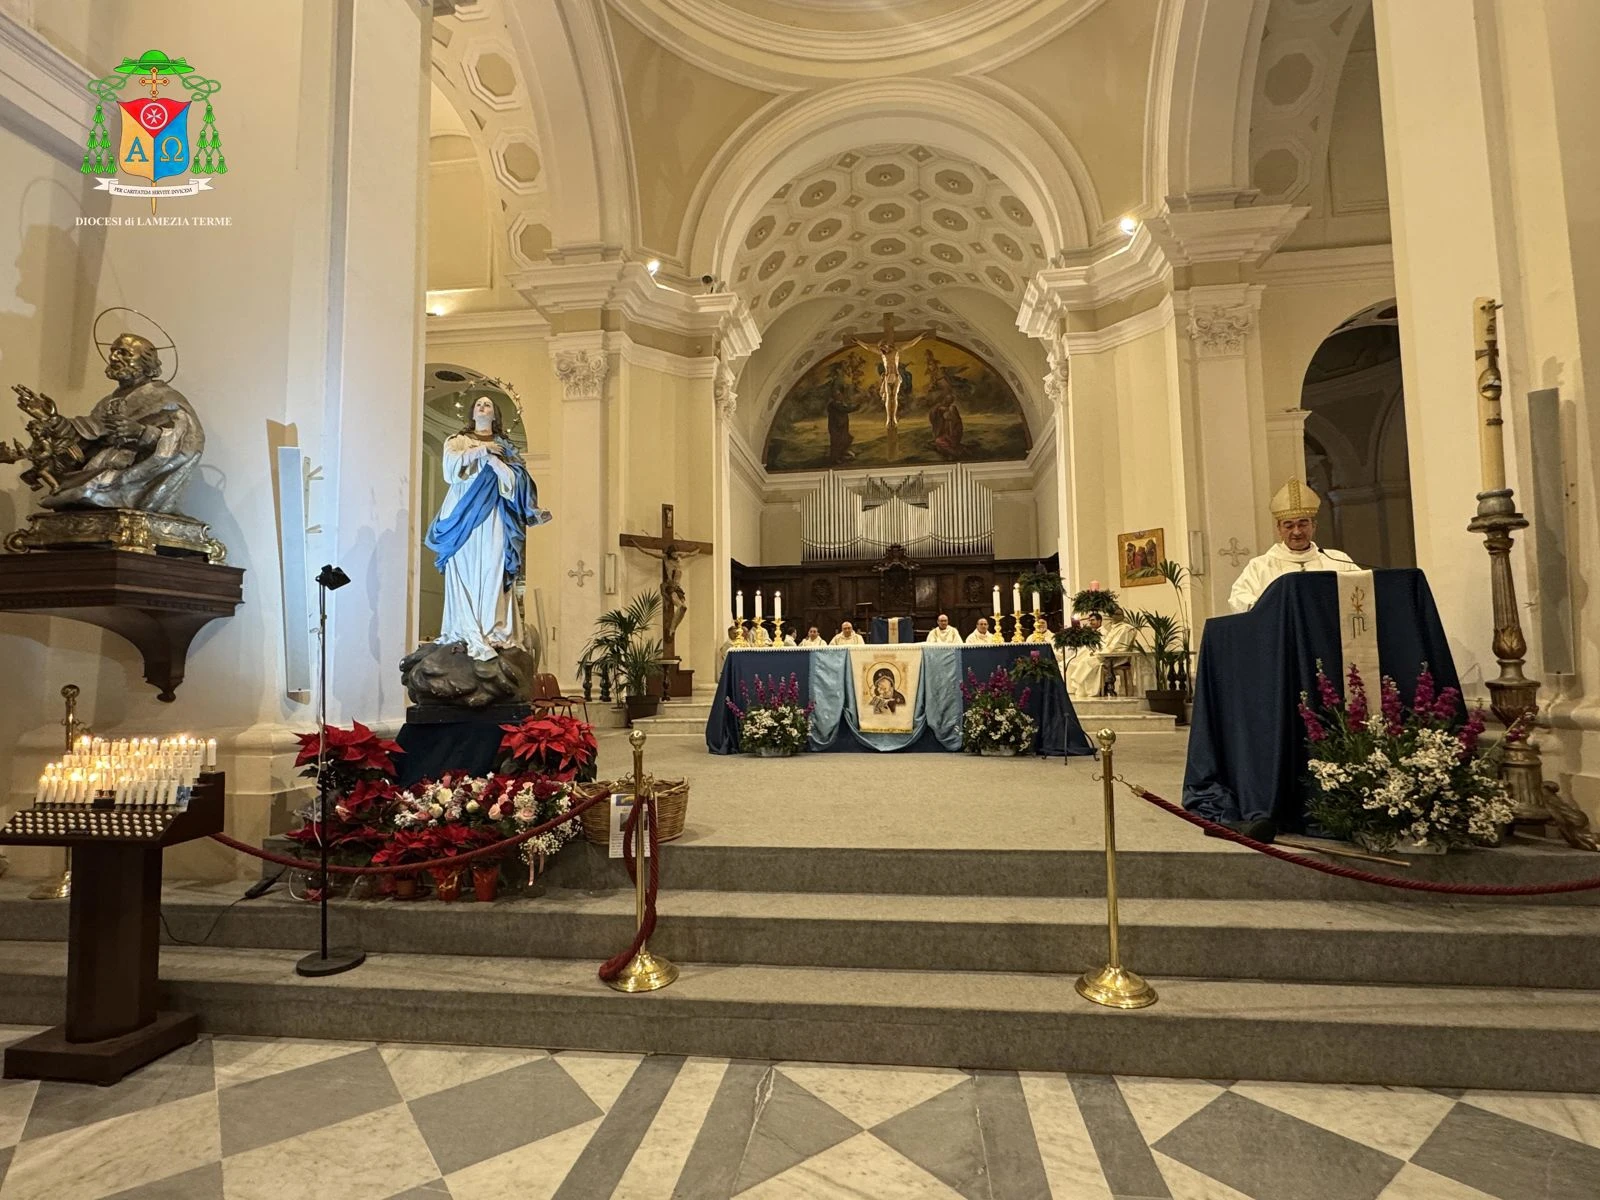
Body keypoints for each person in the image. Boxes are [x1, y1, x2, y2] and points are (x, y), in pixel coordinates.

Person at [425, 395, 551, 660]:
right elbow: (449, 471)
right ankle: (463, 629)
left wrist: (497, 462)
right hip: (462, 516)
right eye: (479, 404)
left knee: (493, 567)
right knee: (466, 570)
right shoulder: (457, 441)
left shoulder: (506, 448)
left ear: (495, 416)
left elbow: (517, 482)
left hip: (494, 514)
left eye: (489, 406)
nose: (483, 408)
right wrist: (483, 451)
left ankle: (494, 630)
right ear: (472, 412)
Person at [1228, 479, 1361, 613]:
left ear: (1313, 526)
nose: (1297, 531)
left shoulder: (1338, 561)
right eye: (1289, 525)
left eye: (1303, 524)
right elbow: (1239, 599)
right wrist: (1271, 608)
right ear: (1279, 529)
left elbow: (1362, 590)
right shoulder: (1260, 566)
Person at [1066, 610, 1140, 698]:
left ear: (1122, 616)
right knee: (1083, 661)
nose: (1114, 616)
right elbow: (1105, 643)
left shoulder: (1125, 628)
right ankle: (1085, 690)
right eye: (1113, 614)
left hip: (1116, 657)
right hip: (1105, 654)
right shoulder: (1114, 628)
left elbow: (1117, 646)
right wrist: (1097, 651)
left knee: (1087, 662)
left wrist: (1100, 652)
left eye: (1117, 614)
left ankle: (1091, 691)